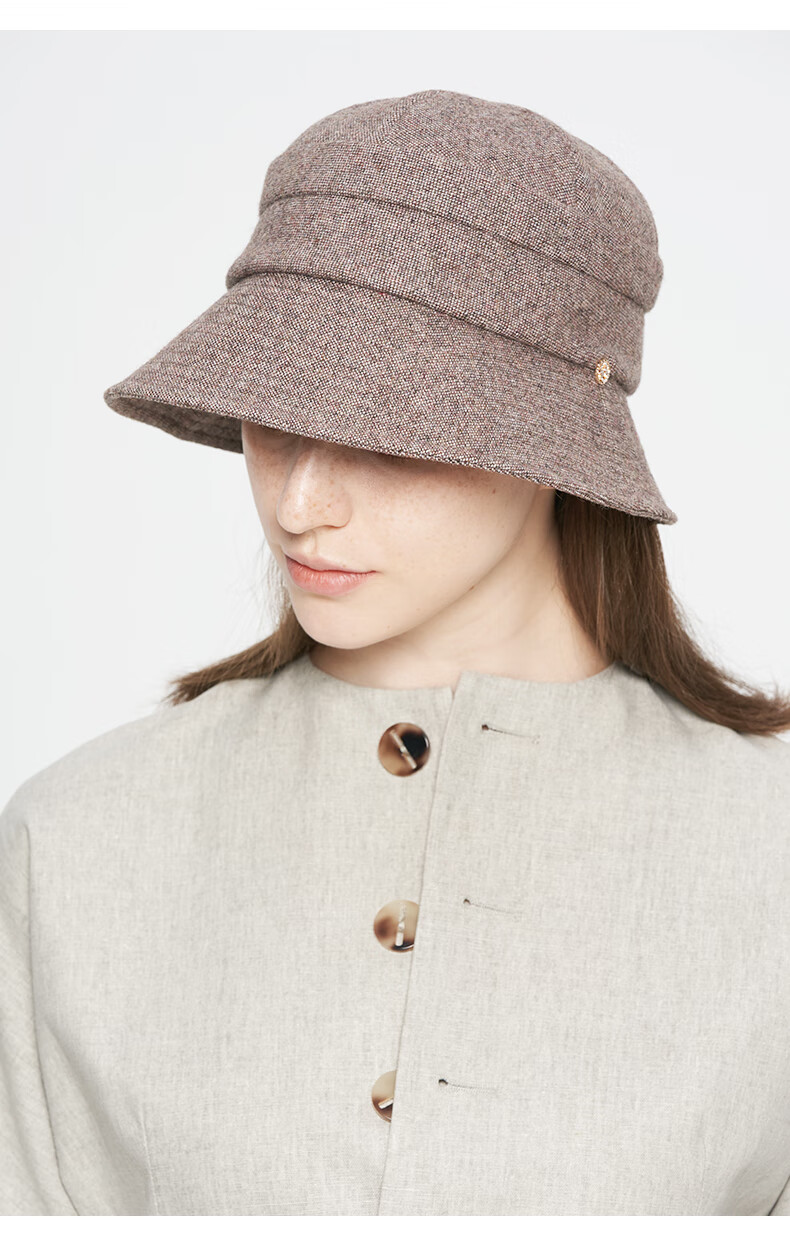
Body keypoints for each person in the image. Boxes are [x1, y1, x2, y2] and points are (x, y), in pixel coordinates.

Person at [2, 89, 789, 1217]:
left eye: (385, 427)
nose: (300, 504)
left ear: (557, 443)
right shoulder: (78, 840)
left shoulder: (766, 854)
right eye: (273, 412)